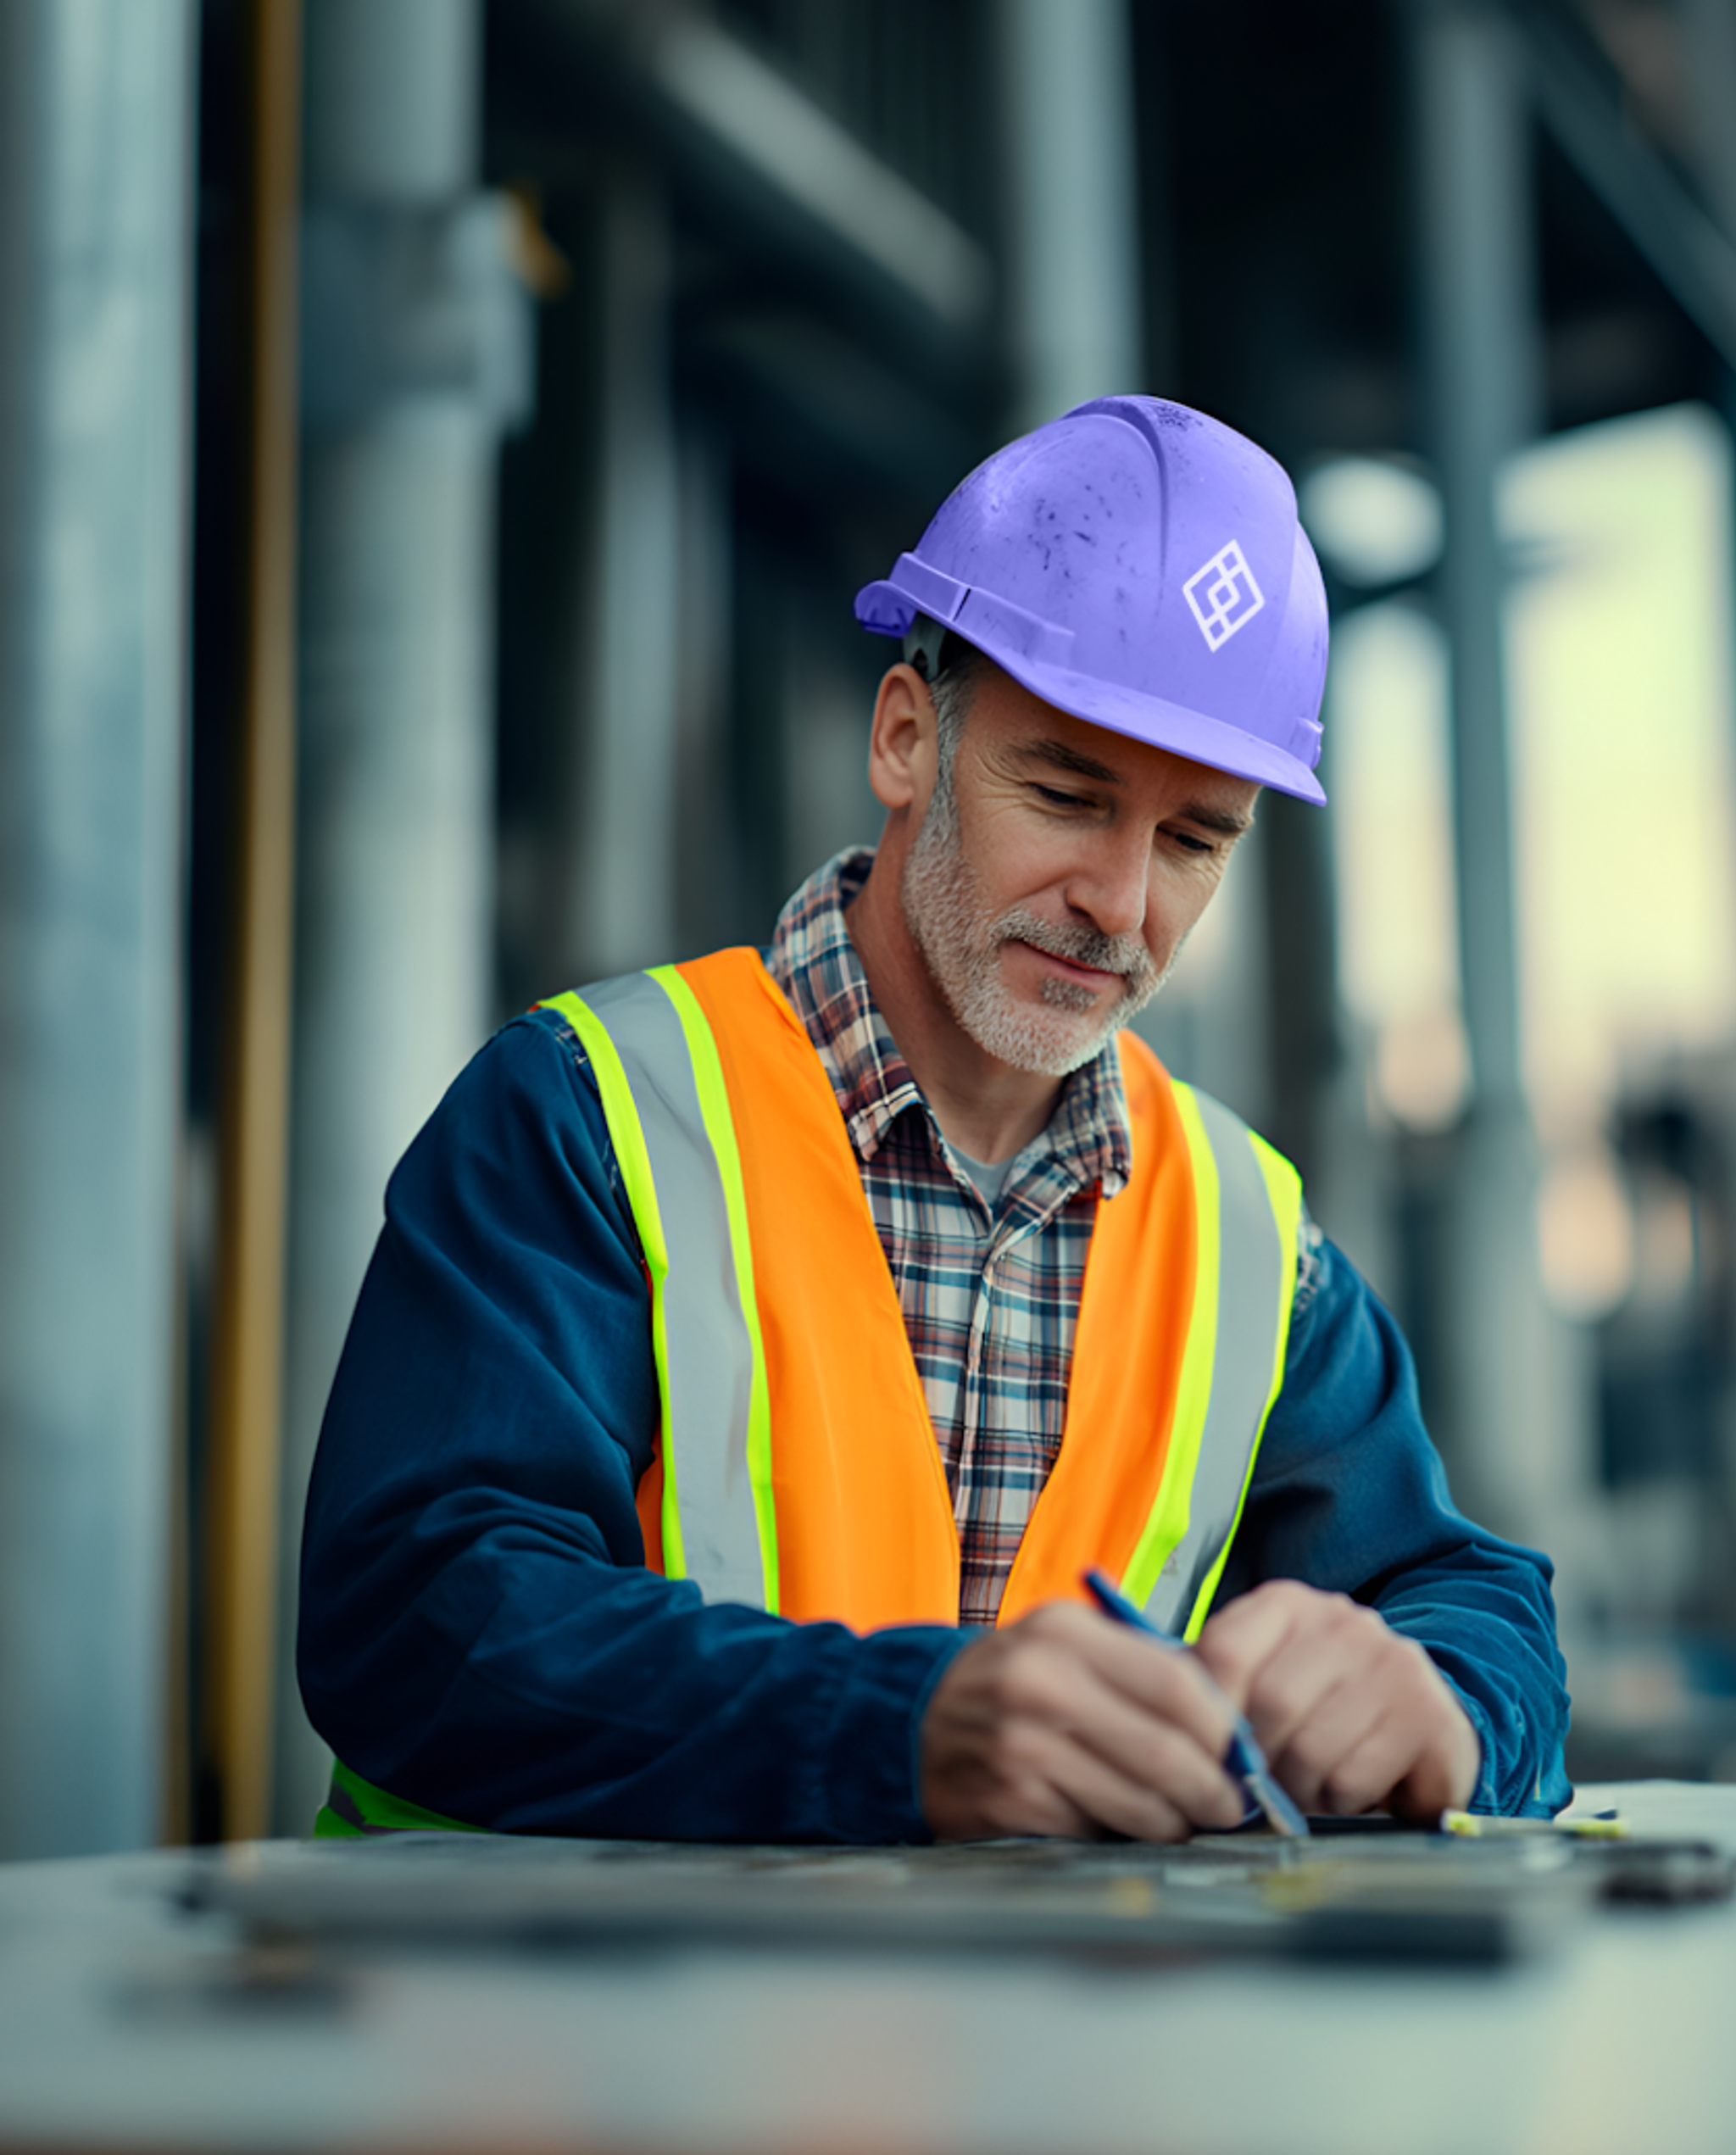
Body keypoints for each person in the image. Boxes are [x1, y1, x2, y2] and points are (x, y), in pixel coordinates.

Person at [299, 396, 1570, 1844]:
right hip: (564, 2051)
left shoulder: (1246, 1237)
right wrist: (898, 1737)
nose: (1123, 900)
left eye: (1195, 839)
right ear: (906, 737)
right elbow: (419, 1612)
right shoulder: (590, 1112)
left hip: (1035, 2060)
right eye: (1066, 793)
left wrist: (1452, 1707)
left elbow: (1471, 1597)